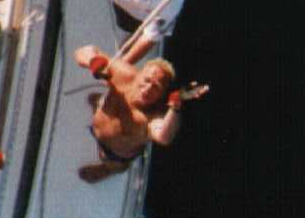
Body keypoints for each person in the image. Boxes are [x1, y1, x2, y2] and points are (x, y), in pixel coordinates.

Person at [71, 34, 208, 183]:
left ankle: (107, 170)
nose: (148, 89)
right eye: (147, 80)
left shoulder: (153, 116)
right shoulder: (123, 73)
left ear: (162, 94)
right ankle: (98, 103)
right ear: (137, 74)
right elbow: (83, 51)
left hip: (113, 155)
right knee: (101, 101)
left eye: (156, 87)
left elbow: (163, 137)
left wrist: (176, 103)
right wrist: (94, 62)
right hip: (98, 123)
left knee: (116, 165)